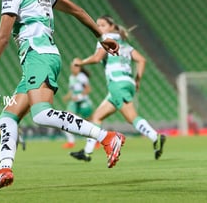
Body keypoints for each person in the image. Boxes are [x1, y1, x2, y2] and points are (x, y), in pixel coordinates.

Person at [0, 0, 126, 192]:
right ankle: (4, 170)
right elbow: (77, 10)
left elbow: (2, 38)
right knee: (7, 118)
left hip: (38, 57)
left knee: (41, 114)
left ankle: (106, 137)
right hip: (43, 57)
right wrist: (101, 37)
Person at [70, 15, 166, 162]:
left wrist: (80, 63)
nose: (99, 27)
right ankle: (87, 152)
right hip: (127, 83)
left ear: (111, 27)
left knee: (131, 118)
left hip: (117, 83)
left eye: (102, 25)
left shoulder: (106, 38)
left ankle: (155, 136)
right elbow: (141, 60)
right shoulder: (125, 44)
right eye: (98, 25)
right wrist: (137, 80)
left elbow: (97, 58)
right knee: (97, 117)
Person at [61, 60, 93, 149]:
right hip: (74, 102)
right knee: (66, 118)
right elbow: (71, 91)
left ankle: (95, 140)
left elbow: (88, 89)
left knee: (89, 121)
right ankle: (71, 142)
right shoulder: (71, 77)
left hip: (83, 101)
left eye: (76, 66)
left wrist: (79, 96)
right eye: (73, 66)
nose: (74, 68)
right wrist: (68, 96)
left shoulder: (82, 77)